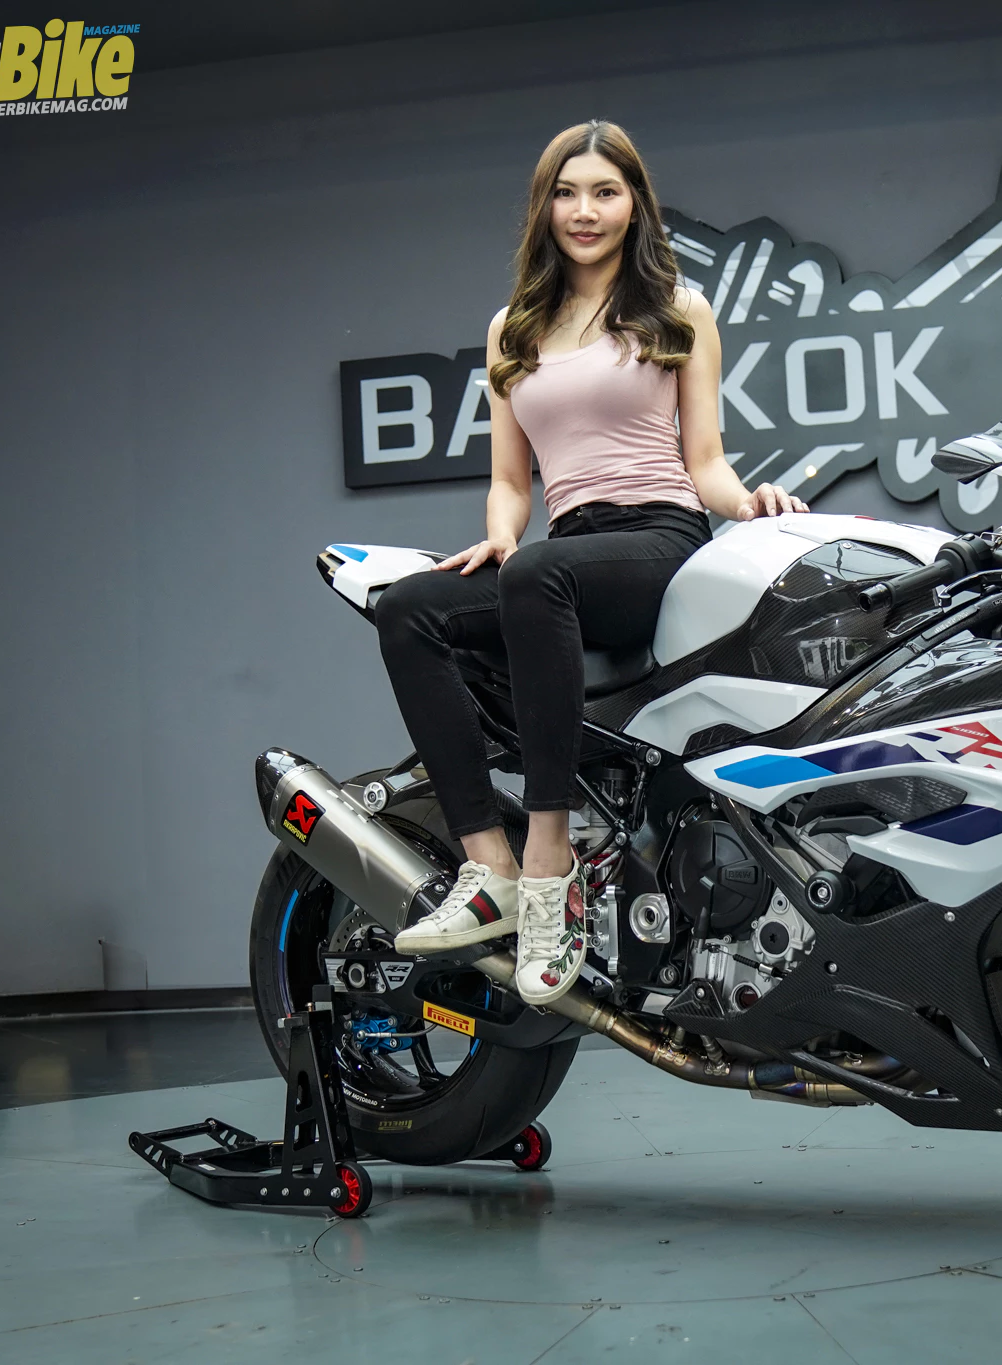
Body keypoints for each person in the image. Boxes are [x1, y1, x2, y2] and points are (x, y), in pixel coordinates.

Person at [377, 120, 806, 1006]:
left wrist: (747, 502)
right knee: (409, 607)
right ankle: (490, 867)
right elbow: (510, 480)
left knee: (541, 573)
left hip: (660, 541)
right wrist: (502, 534)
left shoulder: (678, 310)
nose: (585, 210)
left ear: (634, 205)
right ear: (545, 208)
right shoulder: (512, 329)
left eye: (605, 192)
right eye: (567, 193)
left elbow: (706, 460)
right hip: (563, 552)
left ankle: (550, 859)